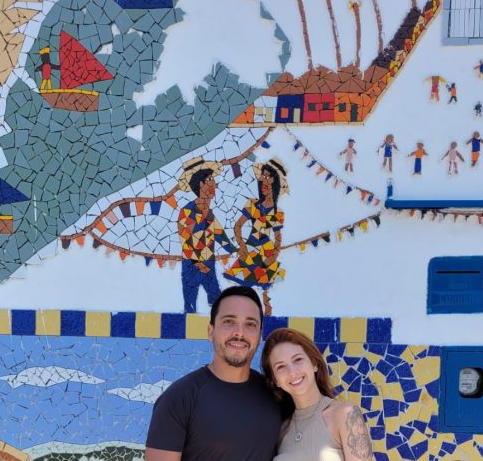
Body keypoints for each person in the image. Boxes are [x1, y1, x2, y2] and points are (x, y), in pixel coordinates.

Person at [146, 286, 281, 461]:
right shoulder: (179, 398)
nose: (239, 333)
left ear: (259, 335)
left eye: (250, 324)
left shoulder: (276, 395)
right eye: (229, 321)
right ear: (211, 332)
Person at [262, 328, 374, 461]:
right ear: (275, 380)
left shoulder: (345, 414)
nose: (292, 372)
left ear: (314, 363)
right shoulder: (280, 429)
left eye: (297, 359)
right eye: (281, 367)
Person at [224, 159, 289, 315]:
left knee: (265, 288)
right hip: (250, 247)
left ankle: (266, 314)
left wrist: (274, 255)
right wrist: (241, 246)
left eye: (267, 176)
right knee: (245, 284)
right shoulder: (253, 205)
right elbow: (238, 226)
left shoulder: (277, 212)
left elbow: (278, 237)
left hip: (267, 250)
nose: (263, 179)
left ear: (274, 181)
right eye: (262, 176)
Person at [177, 157, 236, 313]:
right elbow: (186, 241)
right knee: (190, 304)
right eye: (209, 179)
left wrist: (235, 251)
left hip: (208, 263)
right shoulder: (188, 211)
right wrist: (197, 263)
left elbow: (219, 235)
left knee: (216, 300)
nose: (213, 184)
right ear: (200, 184)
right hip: (192, 265)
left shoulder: (209, 214)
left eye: (213, 180)